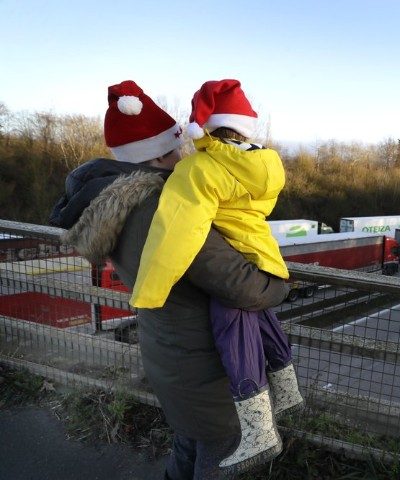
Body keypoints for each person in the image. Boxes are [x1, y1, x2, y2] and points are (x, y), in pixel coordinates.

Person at [50, 80, 289, 479]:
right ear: (159, 155)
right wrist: (279, 285)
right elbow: (239, 284)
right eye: (178, 148)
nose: (184, 156)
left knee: (188, 443)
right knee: (219, 451)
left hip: (168, 349)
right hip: (202, 363)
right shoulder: (162, 210)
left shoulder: (109, 200)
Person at [130, 79, 303, 474]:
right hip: (263, 256)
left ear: (202, 129)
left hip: (237, 266)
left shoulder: (199, 169)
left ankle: (260, 431)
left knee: (234, 336)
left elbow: (177, 231)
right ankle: (287, 390)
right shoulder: (263, 162)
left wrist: (149, 291)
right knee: (260, 323)